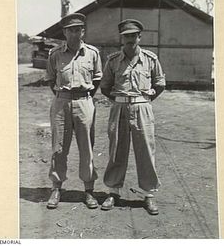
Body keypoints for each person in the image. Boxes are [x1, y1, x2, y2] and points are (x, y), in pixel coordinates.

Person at [100, 19, 166, 215]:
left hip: (142, 106)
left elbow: (160, 83)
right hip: (119, 107)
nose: (130, 39)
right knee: (116, 149)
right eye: (126, 35)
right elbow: (105, 86)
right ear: (122, 38)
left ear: (139, 36)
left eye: (133, 35)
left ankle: (149, 195)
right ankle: (113, 191)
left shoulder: (150, 59)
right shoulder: (113, 61)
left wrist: (144, 101)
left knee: (145, 150)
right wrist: (119, 100)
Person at [45, 13, 102, 209]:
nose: (75, 33)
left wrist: (83, 98)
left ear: (83, 31)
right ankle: (56, 188)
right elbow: (51, 80)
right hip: (61, 102)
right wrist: (65, 97)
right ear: (64, 32)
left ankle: (88, 190)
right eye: (71, 30)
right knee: (59, 147)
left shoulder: (93, 53)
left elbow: (96, 80)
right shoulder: (55, 54)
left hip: (84, 101)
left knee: (86, 146)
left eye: (78, 29)